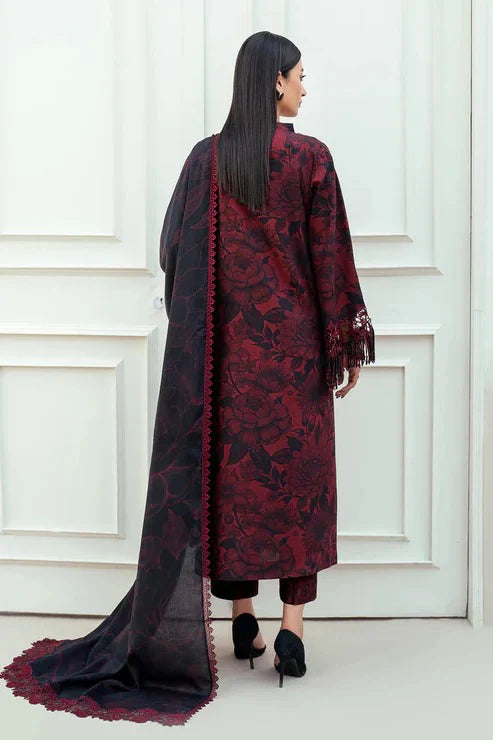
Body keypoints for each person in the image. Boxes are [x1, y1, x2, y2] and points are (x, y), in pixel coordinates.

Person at [0, 31, 375, 724]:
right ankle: (291, 631)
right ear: (273, 81)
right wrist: (342, 346)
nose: (305, 86)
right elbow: (330, 259)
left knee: (228, 489)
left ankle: (242, 619)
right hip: (293, 363)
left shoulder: (206, 160)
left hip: (224, 361)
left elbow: (174, 248)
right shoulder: (310, 159)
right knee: (296, 491)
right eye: (299, 75)